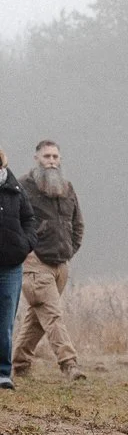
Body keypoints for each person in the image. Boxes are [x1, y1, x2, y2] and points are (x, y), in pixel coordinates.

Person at [12, 138, 85, 382]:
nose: (51, 161)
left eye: (55, 157)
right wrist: (24, 251)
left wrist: (70, 249)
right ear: (37, 159)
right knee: (53, 314)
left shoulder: (67, 188)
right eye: (46, 157)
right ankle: (69, 364)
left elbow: (77, 224)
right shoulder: (22, 187)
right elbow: (12, 224)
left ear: (60, 159)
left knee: (38, 318)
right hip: (34, 263)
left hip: (61, 263)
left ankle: (20, 364)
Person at [0, 148, 38, 391]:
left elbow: (29, 219)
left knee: (5, 322)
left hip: (11, 266)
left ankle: (3, 373)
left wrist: (26, 244)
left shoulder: (15, 189)